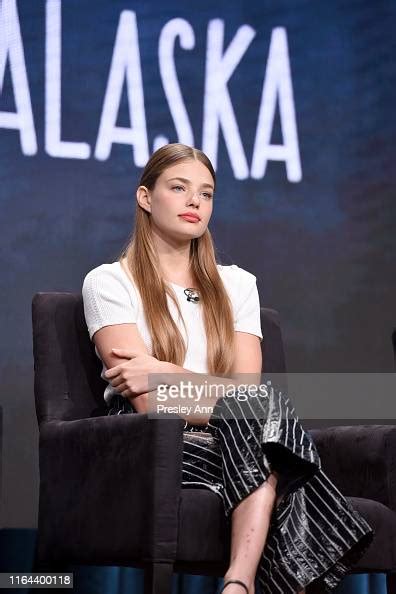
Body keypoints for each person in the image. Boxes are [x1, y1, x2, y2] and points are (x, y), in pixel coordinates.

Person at [82, 143, 373, 594]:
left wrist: (166, 371)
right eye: (179, 188)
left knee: (256, 418)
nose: (195, 202)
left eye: (206, 193)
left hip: (237, 432)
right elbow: (147, 400)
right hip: (151, 442)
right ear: (145, 197)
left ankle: (239, 582)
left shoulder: (237, 284)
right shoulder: (109, 282)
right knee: (263, 426)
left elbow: (246, 391)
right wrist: (213, 394)